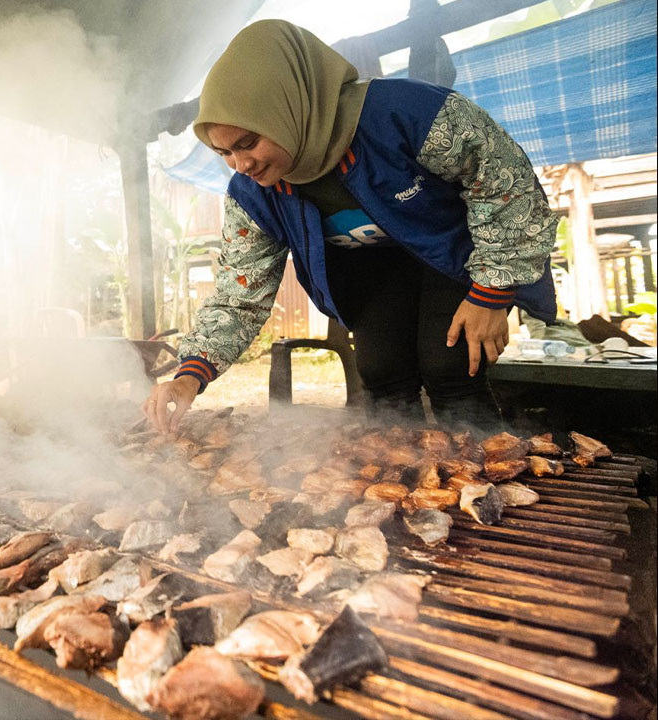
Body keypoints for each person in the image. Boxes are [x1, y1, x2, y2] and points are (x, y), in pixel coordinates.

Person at [144, 20, 557, 434]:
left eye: (249, 143)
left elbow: (509, 186)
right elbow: (239, 293)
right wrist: (189, 376)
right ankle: (402, 475)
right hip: (370, 270)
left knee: (450, 365)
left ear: (289, 107)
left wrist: (491, 294)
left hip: (452, 255)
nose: (241, 165)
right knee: (382, 372)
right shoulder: (251, 194)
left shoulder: (412, 114)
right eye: (224, 152)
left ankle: (483, 473)